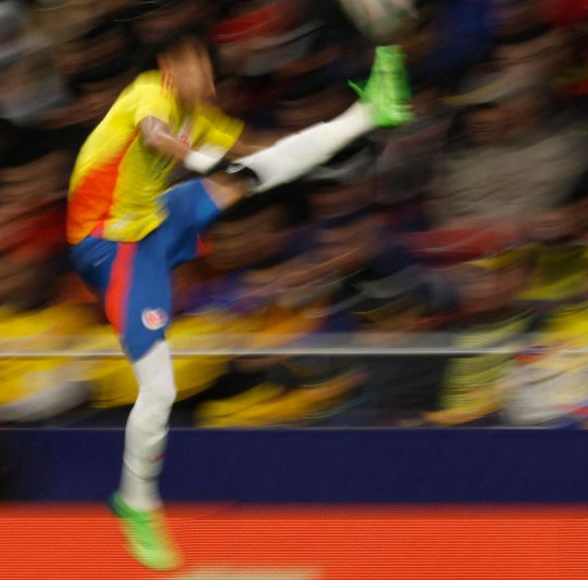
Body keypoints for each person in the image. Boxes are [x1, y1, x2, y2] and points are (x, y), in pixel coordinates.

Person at [66, 34, 411, 570]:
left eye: (206, 64)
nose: (203, 74)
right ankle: (135, 503)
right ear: (168, 67)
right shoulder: (147, 95)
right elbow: (157, 138)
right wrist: (203, 157)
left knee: (253, 175)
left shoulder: (199, 116)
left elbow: (259, 154)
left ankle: (370, 111)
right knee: (160, 389)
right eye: (190, 63)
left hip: (154, 218)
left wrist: (328, 153)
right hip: (110, 245)